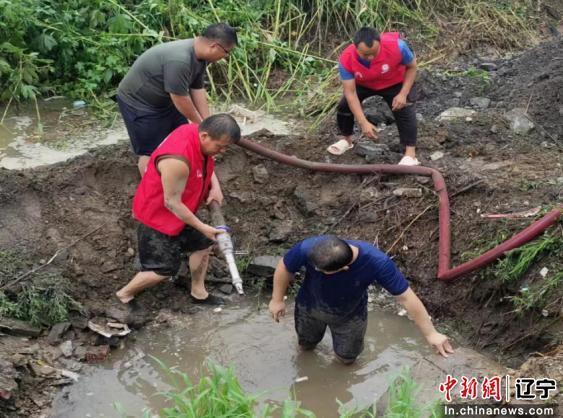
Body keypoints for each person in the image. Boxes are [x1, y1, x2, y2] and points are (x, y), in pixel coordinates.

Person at [116, 114, 241, 306]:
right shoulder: (177, 160)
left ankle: (198, 292)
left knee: (203, 245)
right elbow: (171, 203)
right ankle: (124, 294)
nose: (222, 151)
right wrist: (203, 226)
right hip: (157, 216)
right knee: (162, 270)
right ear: (205, 136)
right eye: (220, 146)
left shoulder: (196, 133)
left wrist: (215, 187)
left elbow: (207, 163)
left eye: (226, 147)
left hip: (182, 212)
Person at [268, 235, 454, 364]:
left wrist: (431, 334)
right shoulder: (310, 247)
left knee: (347, 359)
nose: (316, 270)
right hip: (309, 307)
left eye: (322, 271)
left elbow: (406, 297)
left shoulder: (377, 263)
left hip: (350, 316)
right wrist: (277, 300)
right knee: (306, 346)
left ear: (344, 269)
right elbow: (285, 267)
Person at [117, 23, 238, 175]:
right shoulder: (180, 60)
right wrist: (201, 125)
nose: (225, 57)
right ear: (215, 46)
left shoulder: (200, 57)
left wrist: (208, 123)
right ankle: (153, 191)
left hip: (166, 101)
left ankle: (177, 176)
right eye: (227, 52)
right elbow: (180, 98)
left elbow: (197, 89)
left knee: (181, 139)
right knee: (151, 152)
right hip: (140, 104)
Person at [328, 27, 420, 166]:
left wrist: (403, 93)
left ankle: (410, 154)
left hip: (393, 81)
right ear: (355, 48)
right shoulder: (347, 58)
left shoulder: (398, 46)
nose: (370, 57)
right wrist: (363, 122)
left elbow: (412, 67)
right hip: (364, 83)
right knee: (344, 106)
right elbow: (350, 93)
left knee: (404, 108)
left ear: (380, 44)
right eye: (365, 54)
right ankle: (346, 140)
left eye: (374, 53)